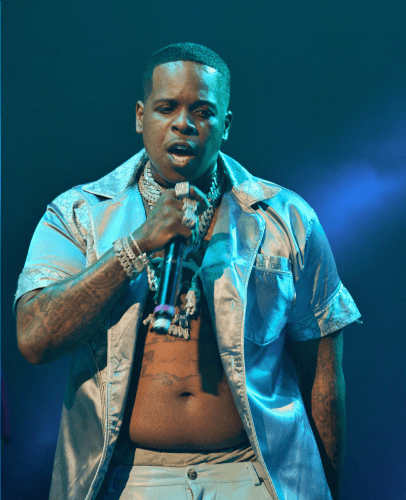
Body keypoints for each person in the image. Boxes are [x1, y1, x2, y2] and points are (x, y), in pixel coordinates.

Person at [15, 42, 361, 500]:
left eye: (202, 111)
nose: (183, 123)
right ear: (140, 117)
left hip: (253, 475)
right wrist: (136, 246)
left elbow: (323, 375)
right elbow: (34, 339)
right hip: (131, 477)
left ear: (226, 125)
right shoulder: (78, 213)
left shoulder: (289, 218)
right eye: (166, 108)